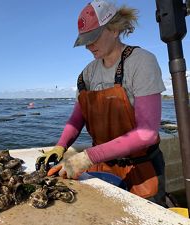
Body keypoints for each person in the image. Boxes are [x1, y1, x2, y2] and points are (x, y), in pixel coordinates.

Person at [35, 0, 166, 207]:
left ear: (114, 30)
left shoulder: (142, 62)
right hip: (101, 166)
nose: (88, 46)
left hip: (141, 170)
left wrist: (87, 157)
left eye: (93, 38)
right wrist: (60, 146)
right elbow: (77, 118)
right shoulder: (87, 74)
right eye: (85, 40)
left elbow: (147, 133)